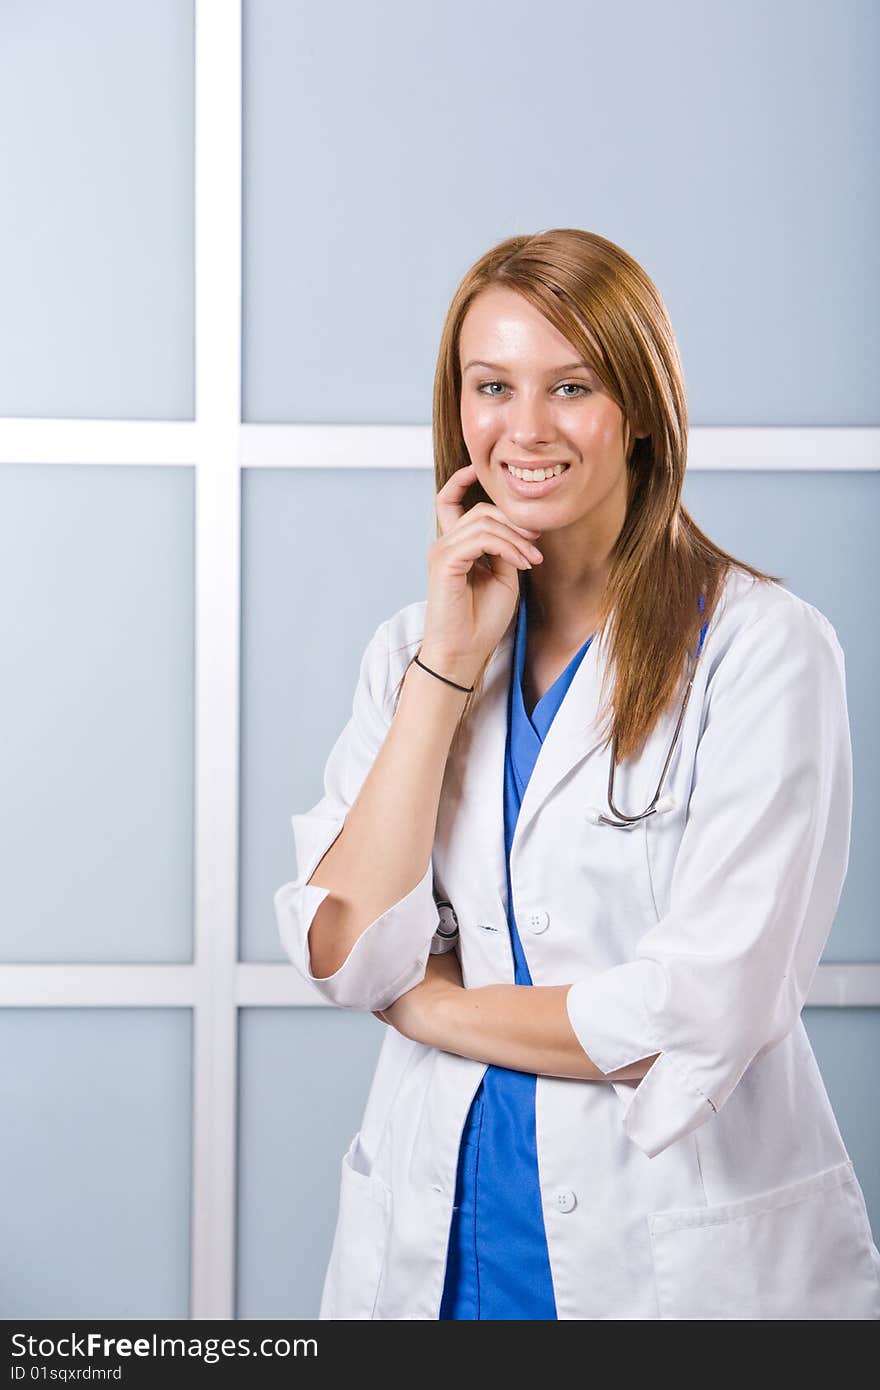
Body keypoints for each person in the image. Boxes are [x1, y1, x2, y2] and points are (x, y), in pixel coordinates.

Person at [273, 228, 880, 1320]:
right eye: (491, 386)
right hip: (440, 1255)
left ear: (640, 407)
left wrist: (435, 1008)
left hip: (675, 1266)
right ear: (455, 410)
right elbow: (344, 949)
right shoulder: (414, 648)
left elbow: (698, 1012)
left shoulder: (763, 649)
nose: (526, 428)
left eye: (572, 386)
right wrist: (449, 666)